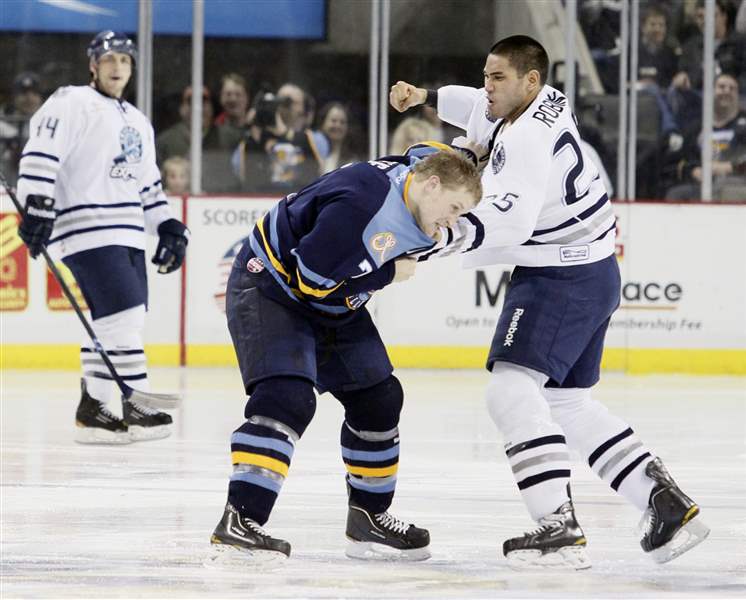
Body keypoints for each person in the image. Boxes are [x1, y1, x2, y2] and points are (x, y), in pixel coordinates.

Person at [389, 34, 710, 569]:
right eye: (487, 75)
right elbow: (477, 106)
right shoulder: (540, 98)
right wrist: (425, 95)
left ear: (530, 81)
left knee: (510, 393)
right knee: (568, 404)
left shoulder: (527, 142)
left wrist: (433, 241)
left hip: (560, 276)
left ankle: (557, 527)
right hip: (594, 270)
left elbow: (509, 219)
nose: (487, 87)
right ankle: (665, 504)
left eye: (497, 78)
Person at [209, 145, 483, 561]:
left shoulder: (424, 170)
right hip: (272, 288)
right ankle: (240, 519)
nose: (452, 222)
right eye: (454, 208)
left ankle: (368, 518)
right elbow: (310, 282)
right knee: (287, 398)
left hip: (333, 299)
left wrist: (474, 148)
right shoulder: (361, 209)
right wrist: (389, 272)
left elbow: (429, 151)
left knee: (379, 397)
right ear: (431, 186)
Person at [15, 31, 189, 444]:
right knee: (124, 318)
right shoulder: (71, 101)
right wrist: (37, 204)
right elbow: (41, 152)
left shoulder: (136, 120)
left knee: (117, 322)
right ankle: (137, 403)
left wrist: (167, 225)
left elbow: (148, 185)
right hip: (84, 228)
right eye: (109, 59)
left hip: (128, 232)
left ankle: (93, 410)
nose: (117, 67)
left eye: (125, 61)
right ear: (93, 65)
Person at [666, 72, 746, 201]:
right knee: (676, 194)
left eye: (732, 88)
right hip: (702, 187)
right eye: (721, 87)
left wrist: (731, 167)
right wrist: (693, 171)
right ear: (711, 92)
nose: (727, 91)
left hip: (737, 186)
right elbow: (683, 160)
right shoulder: (697, 127)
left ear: (737, 95)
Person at [233, 83, 324, 193]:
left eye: (289, 101)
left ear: (302, 108)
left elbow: (317, 176)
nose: (284, 105)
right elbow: (247, 179)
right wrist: (254, 129)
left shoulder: (311, 139)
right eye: (280, 100)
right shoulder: (254, 140)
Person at [155, 85, 239, 193]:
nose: (198, 108)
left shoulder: (229, 137)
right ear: (181, 108)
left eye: (203, 102)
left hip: (220, 203)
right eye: (191, 102)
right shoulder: (165, 141)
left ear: (211, 107)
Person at [0, 72, 45, 185]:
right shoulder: (3, 123)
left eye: (34, 93)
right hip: (6, 193)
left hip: (40, 192)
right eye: (23, 93)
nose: (29, 98)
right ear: (14, 97)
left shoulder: (49, 123)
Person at [312, 102, 360, 173]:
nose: (338, 125)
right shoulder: (312, 151)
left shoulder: (352, 161)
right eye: (333, 121)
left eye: (342, 122)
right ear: (323, 123)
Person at [215, 73, 250, 150]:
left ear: (246, 98)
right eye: (228, 94)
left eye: (238, 94)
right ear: (221, 98)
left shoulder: (255, 131)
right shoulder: (213, 134)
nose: (233, 99)